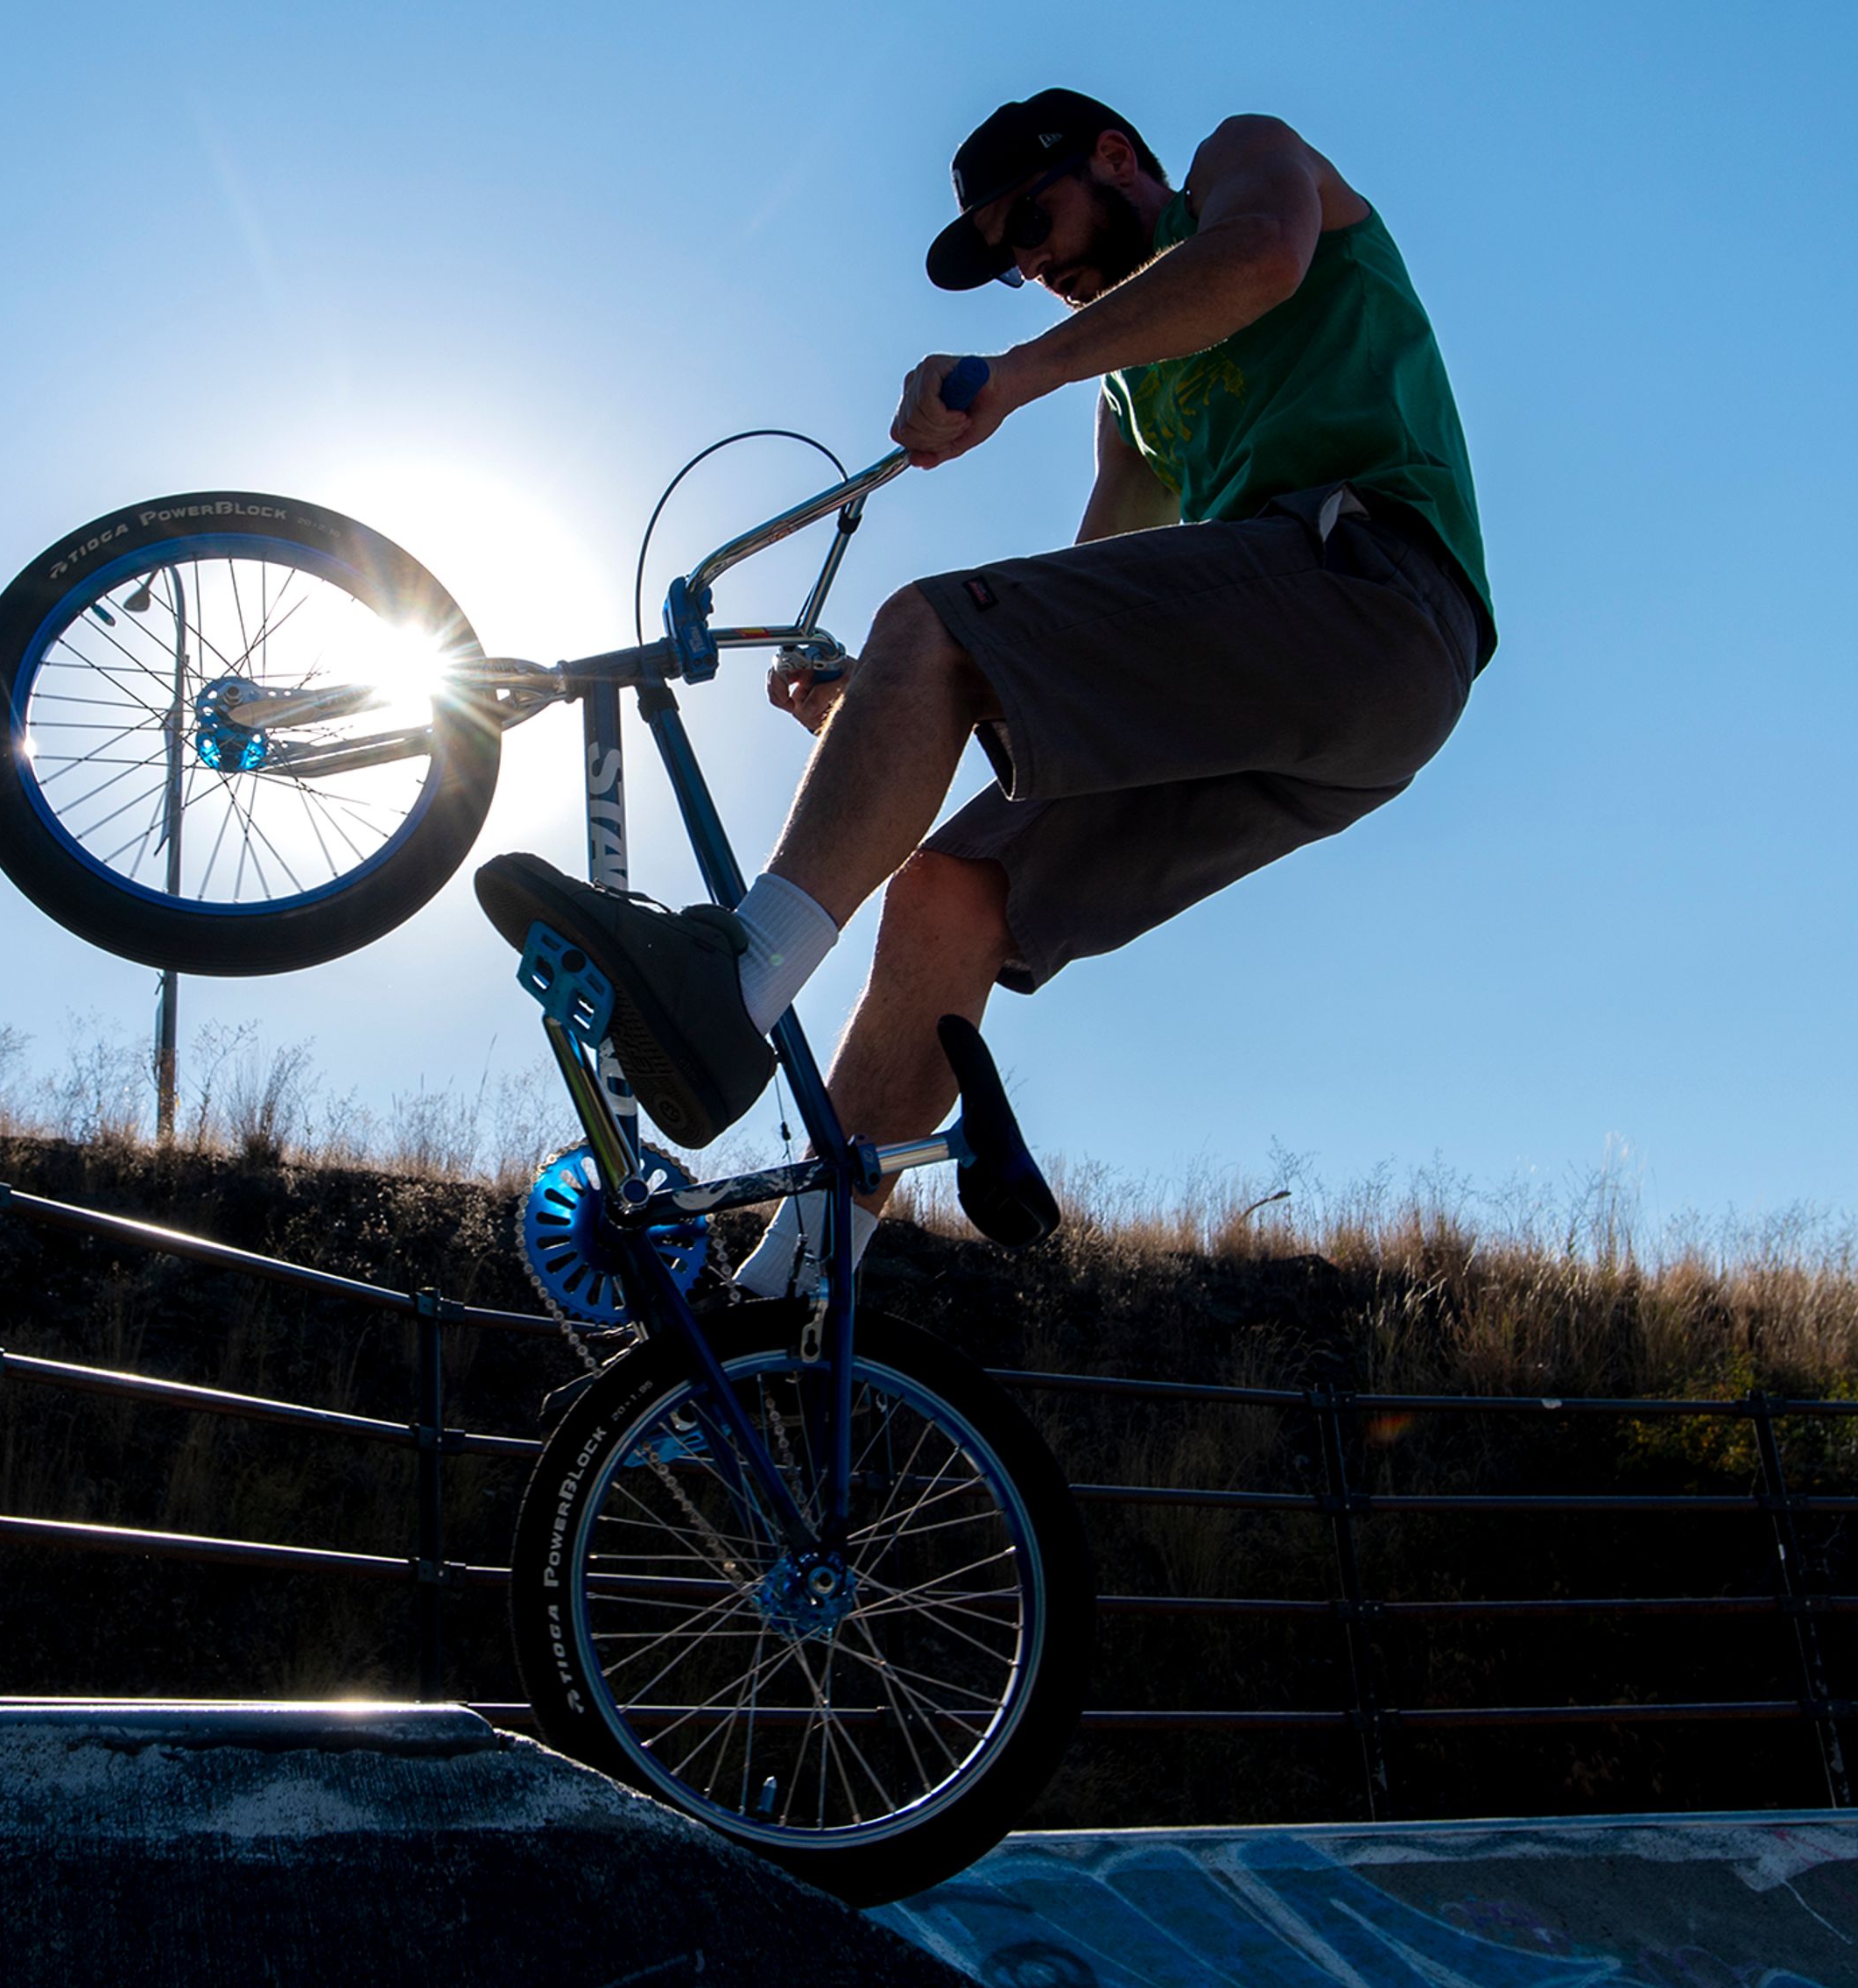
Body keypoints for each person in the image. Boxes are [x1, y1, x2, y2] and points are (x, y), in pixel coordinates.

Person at [476, 87, 1491, 1298]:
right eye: (1010, 256)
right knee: (947, 893)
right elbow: (1070, 636)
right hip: (1320, 714)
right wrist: (883, 708)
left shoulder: (1244, 160)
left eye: (1035, 221)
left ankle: (731, 980)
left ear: (1115, 158)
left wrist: (1014, 379)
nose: (1031, 262)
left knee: (933, 618)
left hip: (1373, 587)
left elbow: (1262, 261)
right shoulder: (1135, 413)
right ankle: (790, 1302)